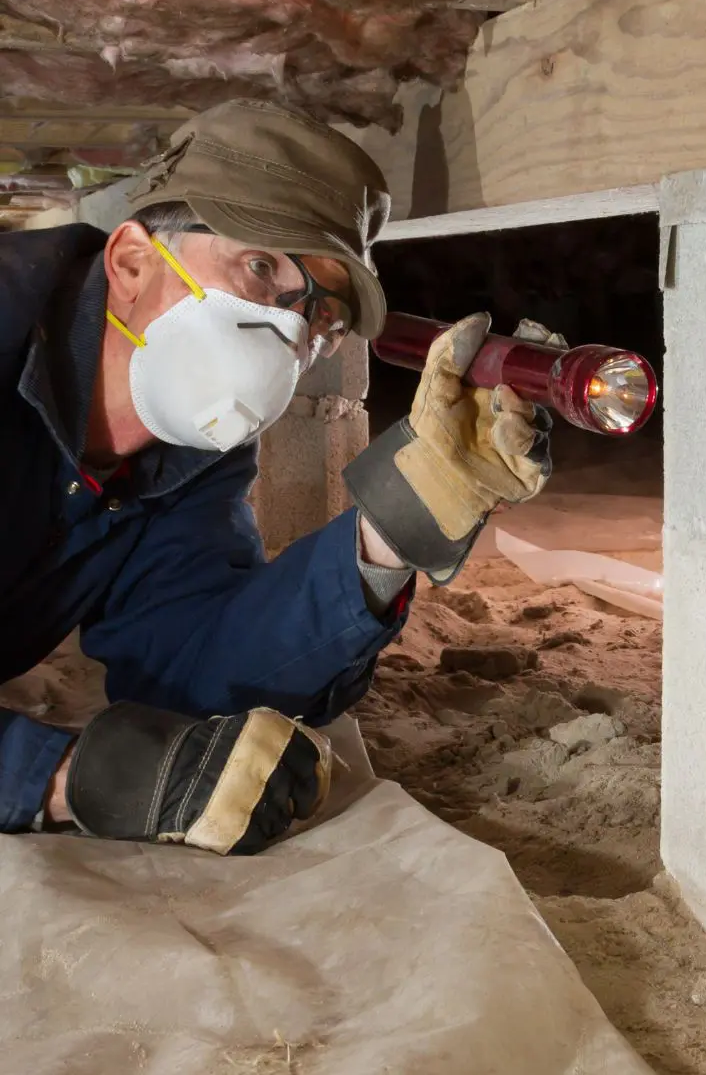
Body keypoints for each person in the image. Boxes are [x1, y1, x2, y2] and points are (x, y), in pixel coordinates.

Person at [0, 99, 554, 855]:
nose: (290, 333)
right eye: (261, 268)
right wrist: (65, 776)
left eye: (320, 318)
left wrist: (392, 531)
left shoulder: (193, 459)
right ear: (131, 262)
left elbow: (193, 669)